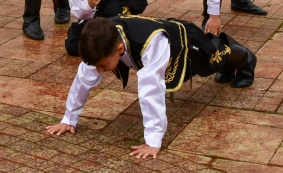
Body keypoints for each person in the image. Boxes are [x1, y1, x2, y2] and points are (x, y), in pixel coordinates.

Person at [45, 16, 257, 158]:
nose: (99, 70)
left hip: (183, 44)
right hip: (160, 44)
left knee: (212, 57)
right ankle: (228, 68)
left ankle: (247, 59)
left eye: (102, 65)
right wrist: (69, 119)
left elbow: (151, 91)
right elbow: (83, 79)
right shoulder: (101, 41)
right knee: (215, 63)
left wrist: (153, 141)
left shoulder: (150, 44)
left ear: (119, 49)